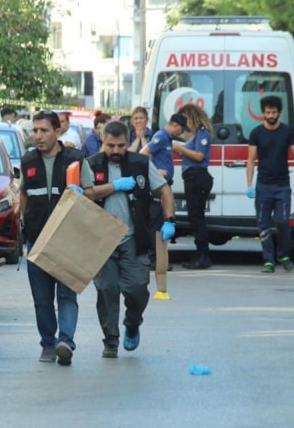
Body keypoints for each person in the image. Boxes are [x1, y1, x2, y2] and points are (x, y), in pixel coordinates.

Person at [82, 121, 176, 358]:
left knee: (137, 290)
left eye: (121, 145)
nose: (116, 150)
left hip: (134, 238)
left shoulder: (140, 163)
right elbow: (85, 194)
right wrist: (113, 187)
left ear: (128, 142)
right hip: (102, 240)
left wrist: (170, 220)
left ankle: (132, 323)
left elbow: (164, 190)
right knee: (107, 290)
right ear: (102, 141)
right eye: (110, 145)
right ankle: (110, 340)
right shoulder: (91, 164)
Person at [19, 110, 93, 366]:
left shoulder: (76, 160)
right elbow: (23, 195)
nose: (38, 136)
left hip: (68, 239)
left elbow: (91, 193)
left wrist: (80, 192)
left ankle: (66, 342)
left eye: (44, 130)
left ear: (57, 131)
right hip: (37, 240)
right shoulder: (28, 161)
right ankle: (48, 343)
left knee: (66, 295)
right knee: (42, 301)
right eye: (35, 131)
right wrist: (24, 225)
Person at [245, 96, 294, 273]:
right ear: (263, 112)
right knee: (263, 224)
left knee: (282, 221)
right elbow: (250, 159)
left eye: (274, 112)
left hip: (282, 186)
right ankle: (268, 260)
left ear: (279, 113)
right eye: (268, 112)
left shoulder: (287, 131)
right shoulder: (256, 133)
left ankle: (283, 255)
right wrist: (249, 184)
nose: (271, 115)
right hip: (263, 185)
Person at [139, 112, 188, 268]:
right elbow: (143, 154)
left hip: (164, 184)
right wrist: (155, 171)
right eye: (181, 129)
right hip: (158, 185)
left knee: (160, 220)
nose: (182, 133)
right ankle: (154, 258)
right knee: (157, 221)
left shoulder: (167, 138)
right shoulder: (161, 136)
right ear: (175, 125)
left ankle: (158, 258)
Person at [175, 103, 214, 269]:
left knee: (197, 218)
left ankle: (203, 255)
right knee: (194, 217)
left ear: (193, 117)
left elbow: (199, 156)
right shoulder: (193, 135)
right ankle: (199, 254)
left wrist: (181, 149)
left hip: (197, 177)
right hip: (191, 177)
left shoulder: (202, 133)